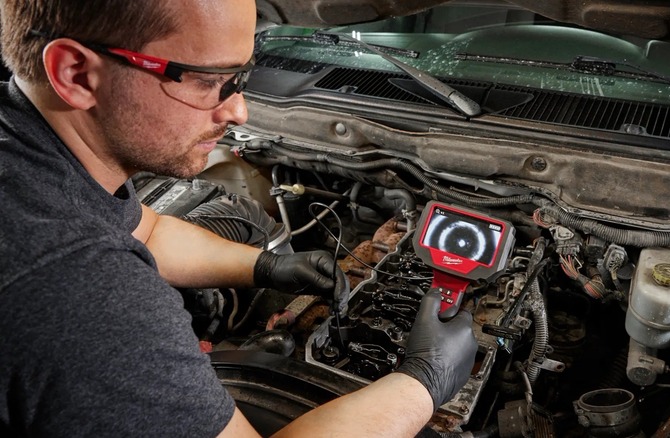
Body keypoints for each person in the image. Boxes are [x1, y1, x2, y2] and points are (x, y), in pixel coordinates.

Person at [0, 0, 478, 437]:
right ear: (76, 73)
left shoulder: (29, 145)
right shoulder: (78, 290)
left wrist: (265, 266)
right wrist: (421, 383)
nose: (239, 110)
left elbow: (146, 228)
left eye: (241, 79)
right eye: (209, 82)